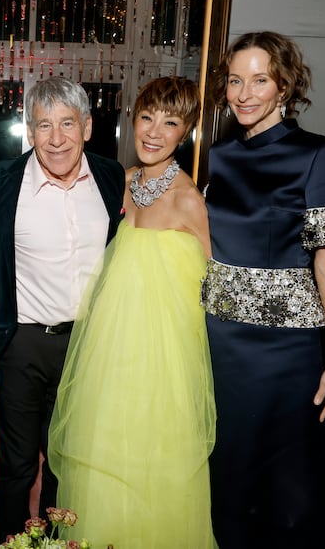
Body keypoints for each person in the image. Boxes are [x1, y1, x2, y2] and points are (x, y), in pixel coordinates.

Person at [201, 30, 325, 548]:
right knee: (227, 474)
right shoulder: (219, 155)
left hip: (287, 352)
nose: (244, 93)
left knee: (290, 486)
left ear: (284, 86)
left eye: (260, 80)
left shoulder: (318, 155)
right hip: (220, 343)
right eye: (234, 80)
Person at [46, 76, 216, 548]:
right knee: (104, 459)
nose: (154, 132)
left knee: (150, 468)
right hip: (110, 357)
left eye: (170, 122)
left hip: (160, 369)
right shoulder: (126, 183)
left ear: (186, 133)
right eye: (146, 118)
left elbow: (211, 288)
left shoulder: (188, 200)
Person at [0, 76, 125, 541]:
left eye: (67, 123)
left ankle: (57, 545)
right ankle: (13, 544)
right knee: (17, 465)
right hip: (20, 344)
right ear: (29, 129)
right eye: (44, 126)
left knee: (68, 461)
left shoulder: (112, 177)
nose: (56, 138)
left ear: (87, 126)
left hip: (86, 346)